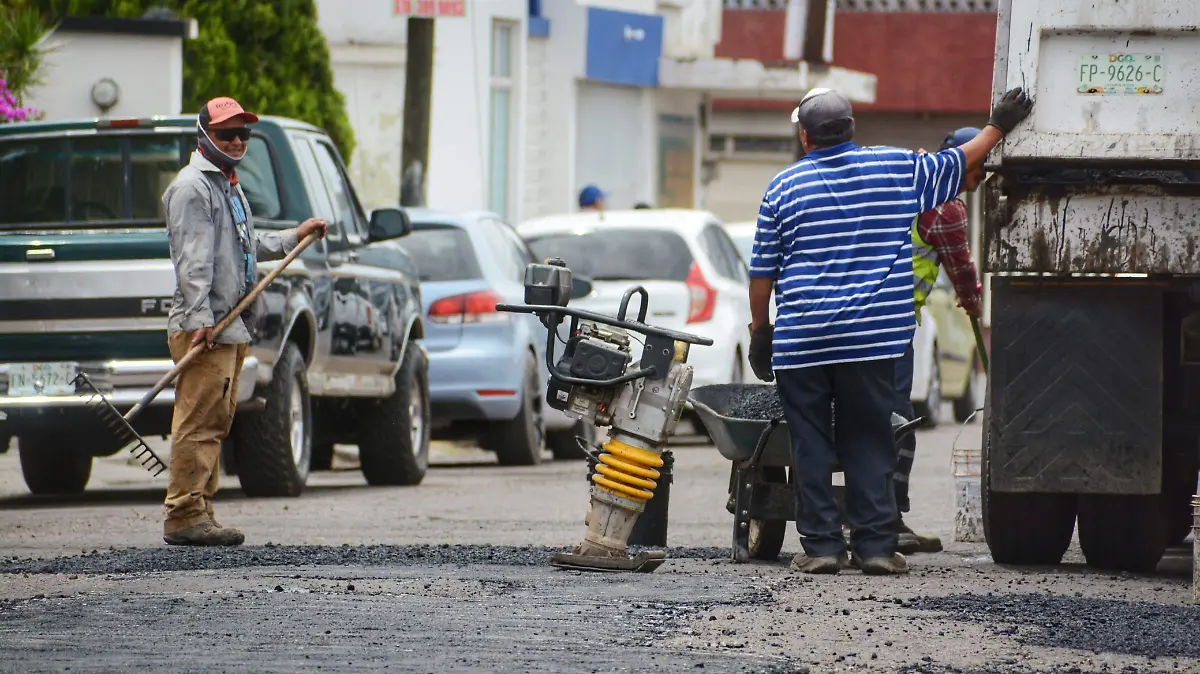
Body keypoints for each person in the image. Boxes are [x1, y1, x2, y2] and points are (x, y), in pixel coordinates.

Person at [746, 86, 1032, 575]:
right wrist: (998, 125)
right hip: (872, 341)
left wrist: (761, 331)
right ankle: (876, 547)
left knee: (810, 441)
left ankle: (822, 548)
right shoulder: (895, 168)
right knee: (870, 438)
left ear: (805, 137)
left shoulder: (783, 187)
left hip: (804, 341)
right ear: (852, 129)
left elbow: (762, 273)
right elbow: (959, 161)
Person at [162, 96, 327, 546]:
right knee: (199, 421)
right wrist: (201, 319)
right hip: (207, 326)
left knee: (215, 422)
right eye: (226, 133)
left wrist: (294, 236)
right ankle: (183, 515)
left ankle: (200, 509)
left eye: (243, 133)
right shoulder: (193, 188)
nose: (237, 141)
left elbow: (246, 246)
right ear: (204, 136)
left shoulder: (228, 186)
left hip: (229, 325)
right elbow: (192, 262)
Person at [892, 127, 987, 555]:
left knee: (870, 420)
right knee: (898, 425)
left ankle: (873, 517)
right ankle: (886, 520)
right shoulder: (945, 206)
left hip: (864, 319)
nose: (980, 180)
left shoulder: (908, 183)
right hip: (891, 325)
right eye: (980, 169)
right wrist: (972, 300)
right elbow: (961, 267)